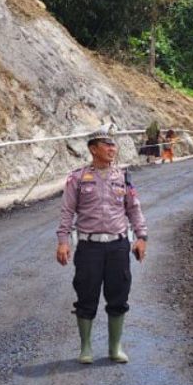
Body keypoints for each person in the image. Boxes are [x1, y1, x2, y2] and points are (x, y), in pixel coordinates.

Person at [57, 126, 149, 364]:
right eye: (106, 145)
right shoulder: (77, 179)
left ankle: (114, 347)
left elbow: (134, 209)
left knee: (118, 295)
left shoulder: (123, 177)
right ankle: (85, 347)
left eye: (113, 145)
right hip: (89, 248)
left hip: (118, 246)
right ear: (93, 149)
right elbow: (67, 212)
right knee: (86, 296)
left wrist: (141, 237)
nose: (112, 149)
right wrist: (63, 241)